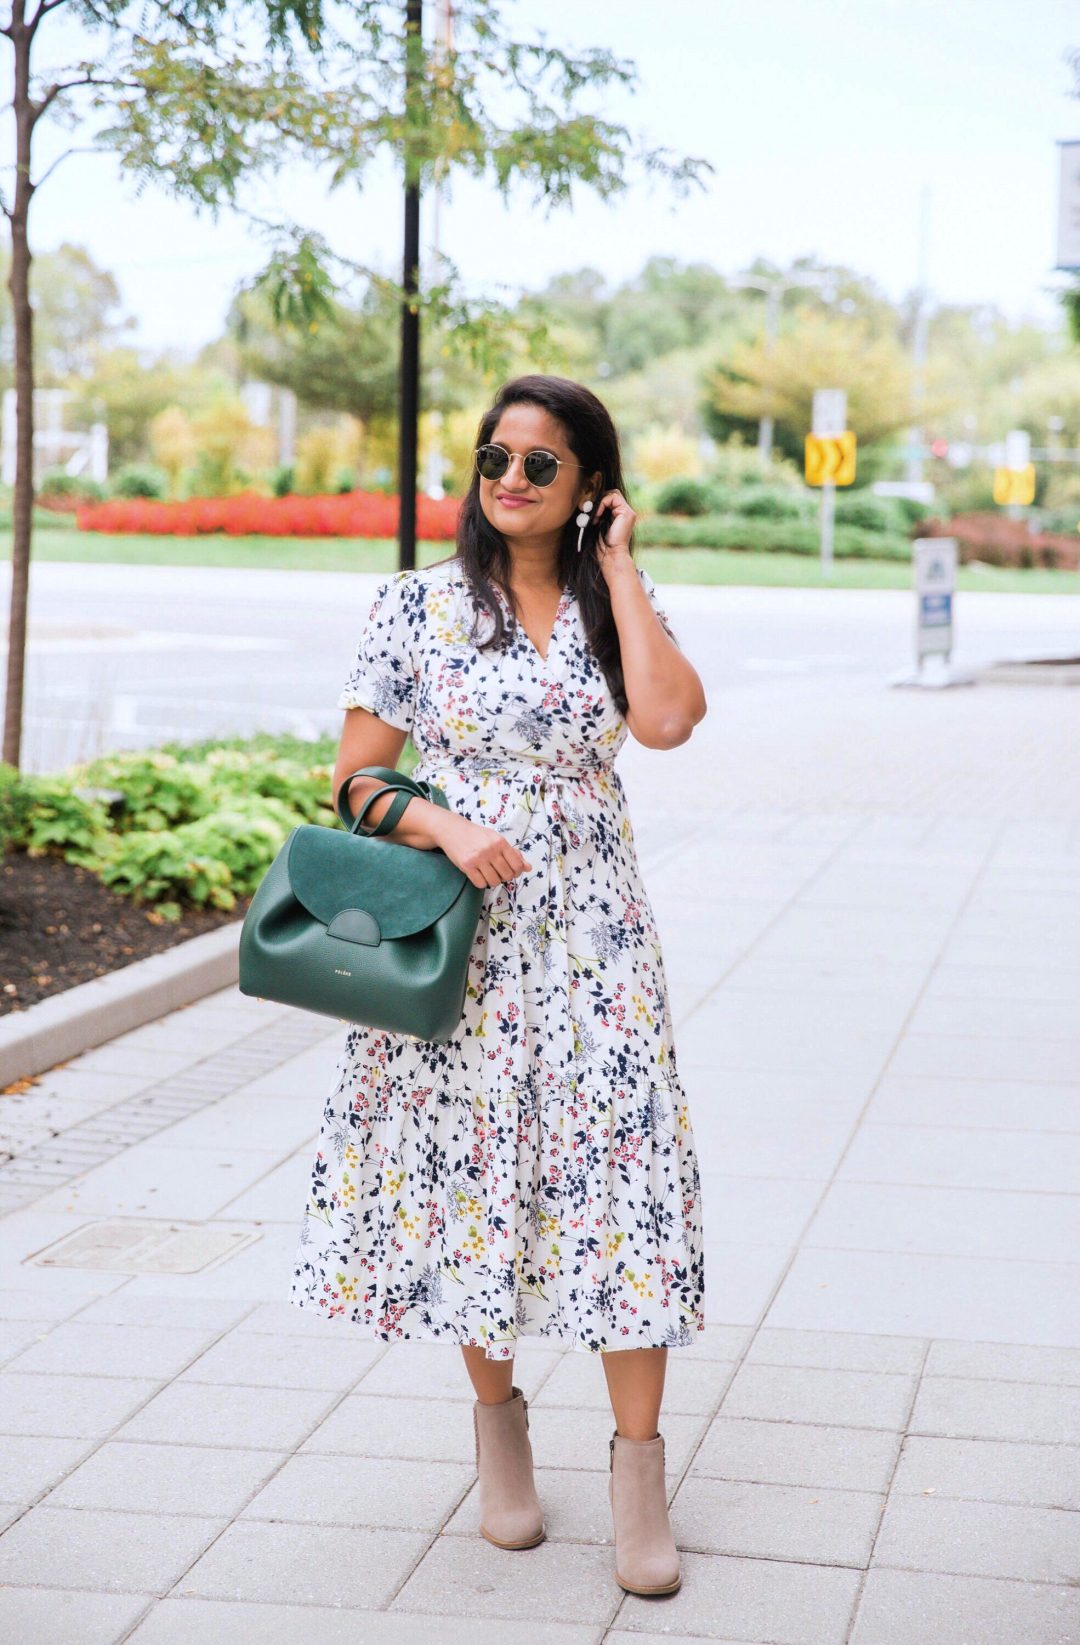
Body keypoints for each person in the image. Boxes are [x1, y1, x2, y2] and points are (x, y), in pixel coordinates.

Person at [290, 373, 708, 1596]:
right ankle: (502, 1442)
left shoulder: (605, 599)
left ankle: (639, 1471)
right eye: (494, 459)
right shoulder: (416, 608)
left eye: (541, 465)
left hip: (597, 940)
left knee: (624, 1180)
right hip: (464, 935)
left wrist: (621, 565)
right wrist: (444, 821)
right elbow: (355, 782)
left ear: (589, 487)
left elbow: (672, 721)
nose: (510, 481)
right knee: (483, 1177)